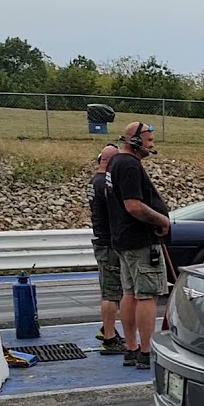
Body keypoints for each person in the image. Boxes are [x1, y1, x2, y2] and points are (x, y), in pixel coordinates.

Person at [104, 121, 171, 370]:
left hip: (123, 240)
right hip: (140, 241)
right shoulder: (130, 165)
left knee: (130, 294)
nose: (151, 146)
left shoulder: (115, 163)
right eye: (149, 141)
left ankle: (132, 348)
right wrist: (161, 219)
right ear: (134, 140)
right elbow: (134, 206)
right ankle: (146, 351)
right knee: (147, 296)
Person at [88, 143, 125, 355]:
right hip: (108, 242)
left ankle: (107, 329)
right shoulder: (105, 184)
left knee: (110, 290)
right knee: (111, 293)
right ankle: (110, 338)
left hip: (102, 240)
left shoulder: (95, 181)